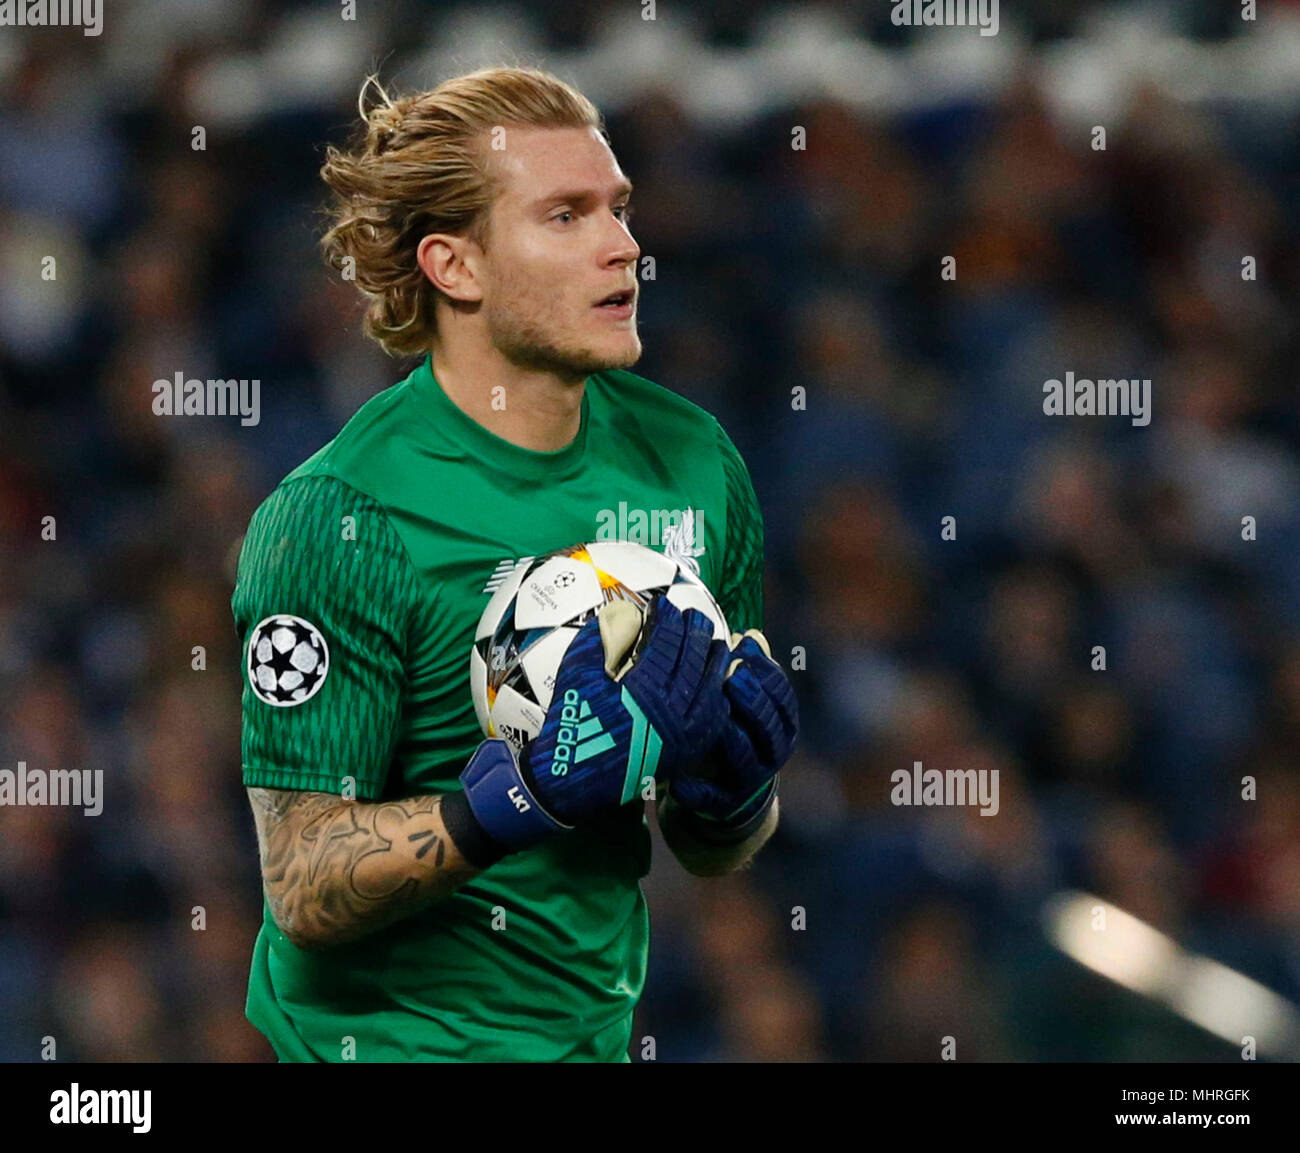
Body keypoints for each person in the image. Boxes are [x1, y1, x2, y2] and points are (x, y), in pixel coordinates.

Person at [231, 66, 798, 1062]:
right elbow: (304, 879)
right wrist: (518, 799)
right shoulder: (338, 518)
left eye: (618, 210)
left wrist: (734, 791)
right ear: (456, 267)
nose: (623, 246)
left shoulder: (695, 467)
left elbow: (708, 851)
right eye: (566, 216)